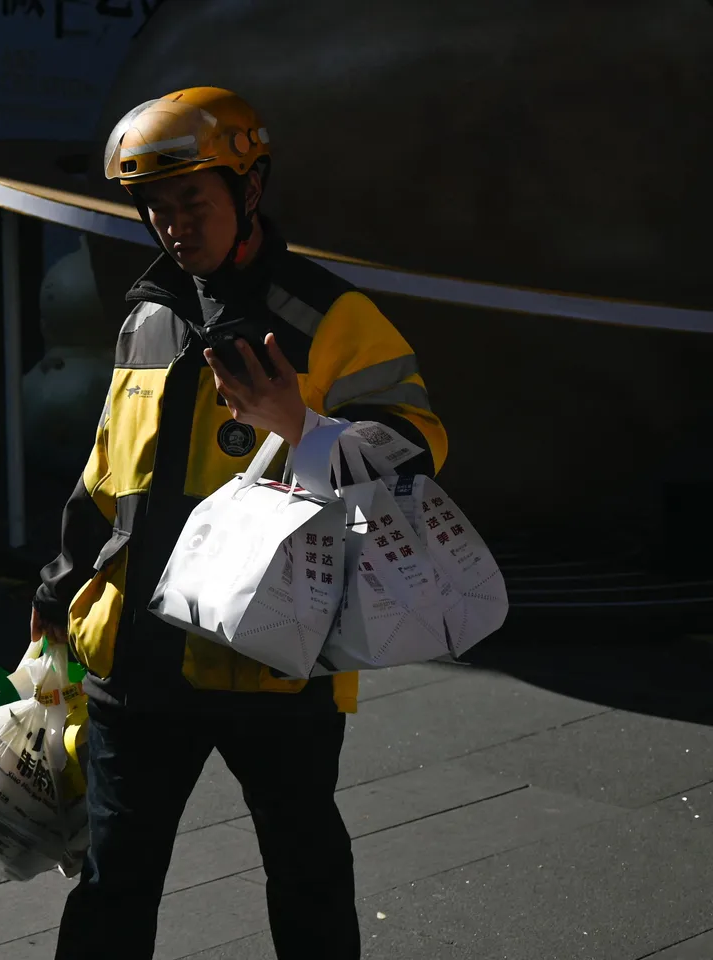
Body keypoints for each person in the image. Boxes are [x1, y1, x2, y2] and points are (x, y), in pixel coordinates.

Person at [31, 86, 449, 959]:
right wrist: (56, 591)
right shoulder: (147, 315)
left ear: (249, 191)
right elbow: (106, 475)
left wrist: (300, 423)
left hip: (277, 664)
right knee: (113, 881)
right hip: (136, 665)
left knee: (305, 873)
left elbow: (417, 448)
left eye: (194, 201)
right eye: (154, 206)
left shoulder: (330, 320)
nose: (173, 224)